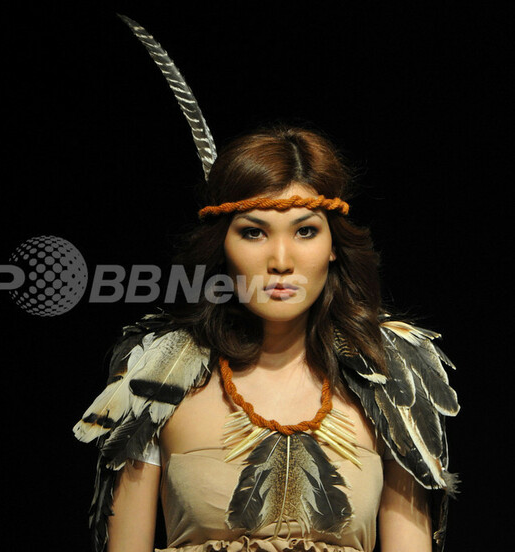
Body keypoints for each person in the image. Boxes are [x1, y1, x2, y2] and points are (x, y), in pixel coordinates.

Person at [73, 17, 458, 552]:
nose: (281, 260)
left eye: (305, 231)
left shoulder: (390, 376)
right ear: (222, 247)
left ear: (333, 246)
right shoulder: (160, 376)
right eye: (253, 232)